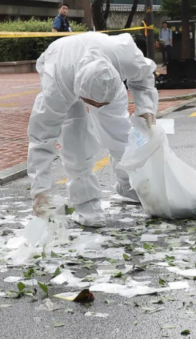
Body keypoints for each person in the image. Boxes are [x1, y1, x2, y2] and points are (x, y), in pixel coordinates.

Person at [28, 32, 158, 228]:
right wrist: (40, 192)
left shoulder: (124, 57)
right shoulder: (57, 86)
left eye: (101, 103)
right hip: (62, 66)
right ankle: (88, 207)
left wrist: (147, 108)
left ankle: (129, 184)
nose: (96, 107)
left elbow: (144, 75)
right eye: (92, 103)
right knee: (75, 143)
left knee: (120, 134)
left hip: (102, 71)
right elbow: (41, 138)